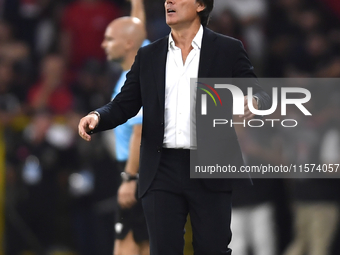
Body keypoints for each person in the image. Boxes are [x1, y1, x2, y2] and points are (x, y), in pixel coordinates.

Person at [78, 0, 271, 254]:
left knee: (213, 249)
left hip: (209, 165)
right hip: (161, 168)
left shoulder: (227, 48)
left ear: (201, 5)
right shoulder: (149, 55)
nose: (168, 1)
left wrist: (252, 101)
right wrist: (97, 116)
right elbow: (124, 103)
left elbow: (257, 91)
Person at [100, 0, 150, 254]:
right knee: (149, 242)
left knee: (126, 246)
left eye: (110, 39)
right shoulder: (145, 59)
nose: (104, 44)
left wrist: (130, 178)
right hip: (151, 168)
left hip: (136, 168)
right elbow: (137, 27)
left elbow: (140, 132)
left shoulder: (130, 85)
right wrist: (137, 3)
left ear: (128, 44)